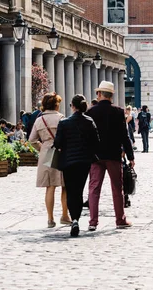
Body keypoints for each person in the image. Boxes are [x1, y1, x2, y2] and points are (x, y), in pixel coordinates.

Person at [86, 81, 135, 231]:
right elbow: (124, 136)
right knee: (117, 188)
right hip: (113, 155)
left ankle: (93, 222)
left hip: (96, 156)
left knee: (94, 188)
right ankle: (120, 219)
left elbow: (87, 135)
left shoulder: (91, 112)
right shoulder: (119, 112)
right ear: (111, 95)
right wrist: (131, 157)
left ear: (99, 94)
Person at [53, 95, 100, 237]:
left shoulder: (64, 123)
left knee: (70, 190)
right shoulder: (89, 121)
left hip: (68, 162)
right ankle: (76, 219)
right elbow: (96, 142)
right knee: (79, 190)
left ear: (73, 106)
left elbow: (57, 143)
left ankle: (73, 219)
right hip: (84, 162)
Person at [28, 92, 70, 228]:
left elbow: (32, 140)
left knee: (50, 187)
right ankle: (65, 215)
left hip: (46, 152)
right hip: (61, 151)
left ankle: (50, 219)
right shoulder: (62, 118)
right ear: (57, 105)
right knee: (65, 186)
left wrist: (41, 148)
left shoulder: (39, 120)